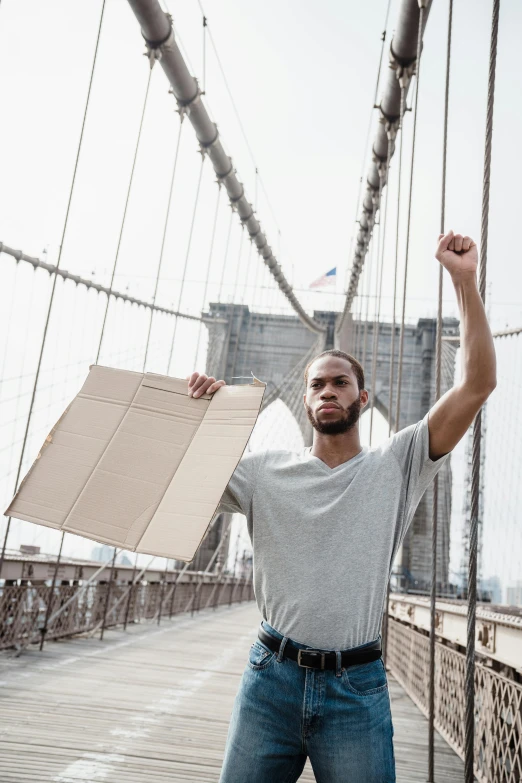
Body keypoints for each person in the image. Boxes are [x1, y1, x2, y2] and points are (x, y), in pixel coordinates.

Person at [186, 231, 496, 783]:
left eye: (341, 382)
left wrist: (463, 281)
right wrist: (198, 418)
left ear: (363, 396)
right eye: (317, 385)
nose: (328, 391)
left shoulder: (399, 463)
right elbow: (179, 486)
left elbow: (476, 383)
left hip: (357, 689)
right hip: (269, 679)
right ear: (304, 402)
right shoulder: (262, 472)